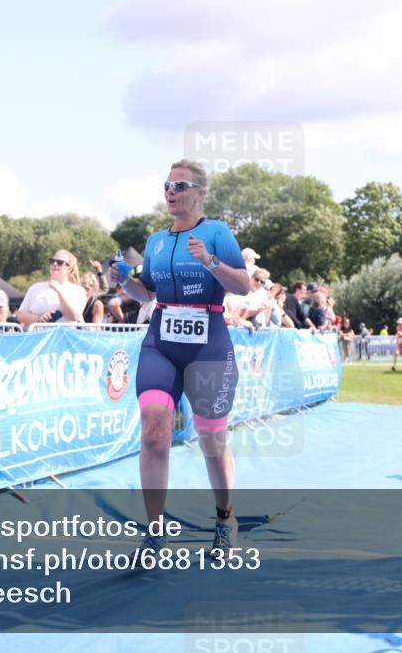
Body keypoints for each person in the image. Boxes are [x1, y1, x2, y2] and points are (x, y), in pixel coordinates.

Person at [109, 160, 249, 556]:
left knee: (212, 440)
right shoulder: (156, 240)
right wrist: (123, 281)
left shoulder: (217, 232)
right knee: (154, 431)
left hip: (208, 345)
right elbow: (146, 294)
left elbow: (243, 285)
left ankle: (225, 519)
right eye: (167, 185)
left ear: (200, 193)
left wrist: (210, 261)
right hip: (161, 342)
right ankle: (155, 531)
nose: (171, 191)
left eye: (180, 185)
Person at [15, 249, 88, 325]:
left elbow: (74, 316)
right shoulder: (35, 287)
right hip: (39, 332)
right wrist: (38, 318)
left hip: (65, 332)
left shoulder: (78, 291)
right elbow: (20, 315)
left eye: (60, 262)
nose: (55, 264)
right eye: (52, 261)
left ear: (69, 268)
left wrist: (59, 291)